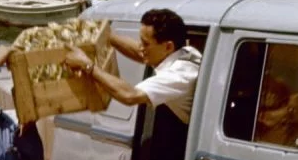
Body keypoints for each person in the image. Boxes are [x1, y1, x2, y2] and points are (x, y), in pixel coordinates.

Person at [63, 8, 201, 125]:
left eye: (146, 44)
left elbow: (130, 96)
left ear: (168, 46)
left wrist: (87, 65)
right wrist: (105, 35)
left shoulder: (178, 76)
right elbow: (141, 53)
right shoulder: (185, 52)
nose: (141, 47)